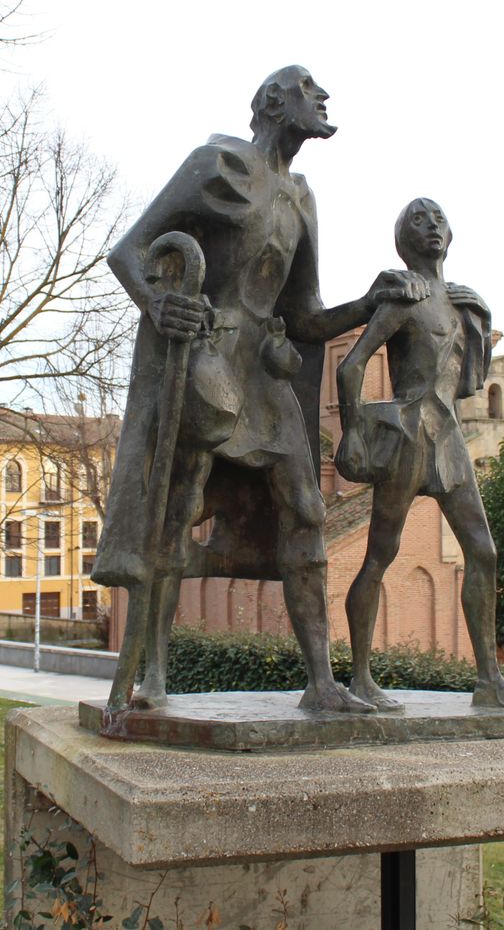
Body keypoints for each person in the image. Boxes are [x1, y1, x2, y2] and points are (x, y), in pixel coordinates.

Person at [94, 66, 426, 713]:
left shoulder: (302, 197)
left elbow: (304, 316)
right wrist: (158, 305)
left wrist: (369, 302)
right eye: (309, 87)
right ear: (275, 101)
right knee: (178, 514)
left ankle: (321, 684)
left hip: (265, 377)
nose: (323, 97)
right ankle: (155, 675)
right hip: (207, 364)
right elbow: (128, 252)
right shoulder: (217, 164)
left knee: (306, 510)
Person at [335, 198, 504, 711]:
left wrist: (483, 313)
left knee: (484, 553)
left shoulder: (461, 302)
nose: (431, 226)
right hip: (409, 436)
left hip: (448, 439)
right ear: (404, 238)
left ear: (450, 234)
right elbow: (351, 366)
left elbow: (471, 382)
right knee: (380, 557)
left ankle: (489, 682)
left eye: (438, 219)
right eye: (419, 220)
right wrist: (355, 433)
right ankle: (361, 678)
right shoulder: (404, 295)